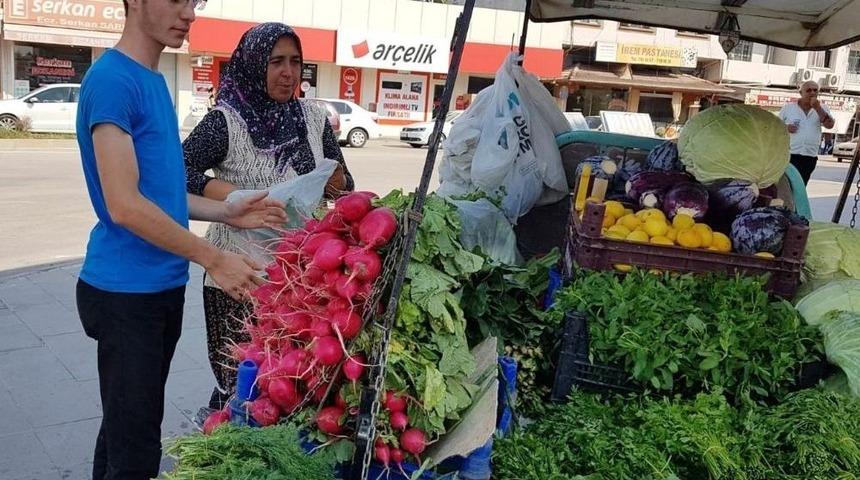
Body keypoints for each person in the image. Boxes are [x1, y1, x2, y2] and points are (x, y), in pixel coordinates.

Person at [75, 1, 287, 479]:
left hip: (156, 289)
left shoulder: (152, 78)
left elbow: (162, 195)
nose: (187, 12)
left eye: (194, 1)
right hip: (125, 294)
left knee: (124, 427)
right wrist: (214, 258)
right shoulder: (113, 81)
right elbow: (124, 205)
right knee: (137, 451)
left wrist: (227, 212)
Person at [183, 22, 354, 414]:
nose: (288, 72)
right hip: (239, 277)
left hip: (303, 279)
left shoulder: (312, 119)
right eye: (276, 61)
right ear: (253, 64)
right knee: (240, 382)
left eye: (295, 62)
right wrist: (231, 196)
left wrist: (337, 184)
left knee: (288, 387)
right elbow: (176, 170)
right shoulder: (225, 121)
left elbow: (342, 180)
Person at [779, 80, 835, 184]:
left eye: (815, 90)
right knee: (786, 185)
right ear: (801, 93)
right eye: (809, 90)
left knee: (800, 186)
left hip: (809, 156)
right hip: (790, 154)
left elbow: (829, 125)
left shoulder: (822, 108)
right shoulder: (788, 108)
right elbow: (776, 126)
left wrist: (817, 108)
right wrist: (786, 127)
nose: (812, 93)